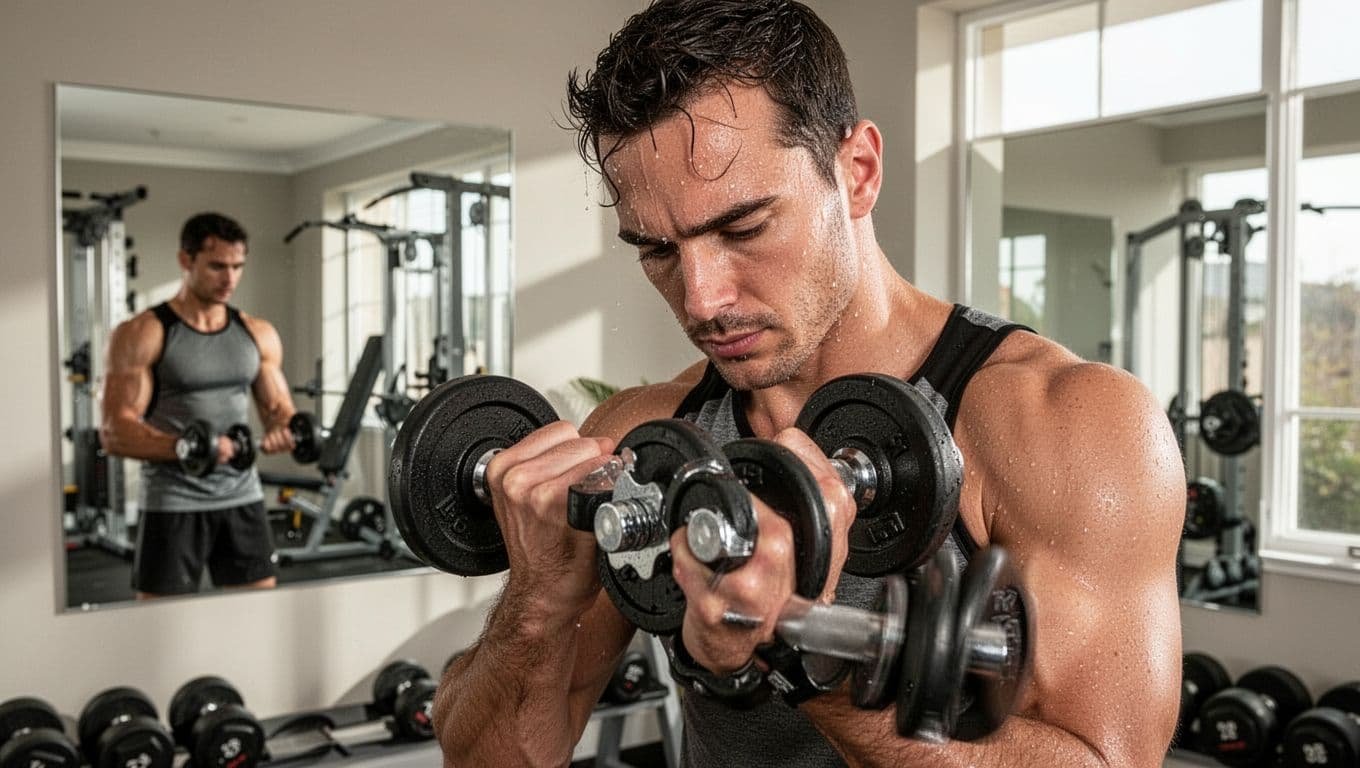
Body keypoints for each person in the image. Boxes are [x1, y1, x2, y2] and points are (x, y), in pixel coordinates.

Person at [434, 1, 1185, 765]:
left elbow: (1105, 759)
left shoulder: (1062, 422)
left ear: (856, 172)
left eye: (744, 228)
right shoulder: (649, 436)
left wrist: (793, 656)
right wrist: (534, 610)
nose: (701, 300)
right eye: (658, 250)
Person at [101, 212, 298, 598]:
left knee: (257, 614)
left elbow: (279, 410)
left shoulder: (256, 333)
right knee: (162, 623)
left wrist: (283, 429)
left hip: (243, 496)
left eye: (238, 267)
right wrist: (187, 447)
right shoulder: (144, 333)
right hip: (173, 501)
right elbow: (114, 432)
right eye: (217, 266)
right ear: (185, 261)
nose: (230, 279)